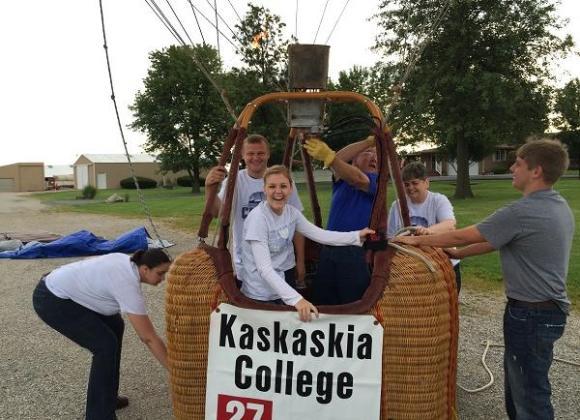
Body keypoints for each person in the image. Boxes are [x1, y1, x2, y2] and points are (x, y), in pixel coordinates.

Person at [393, 138, 574, 420]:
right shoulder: (557, 204)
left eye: (519, 163)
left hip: (530, 315)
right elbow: (493, 241)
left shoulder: (522, 212)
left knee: (530, 396)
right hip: (543, 312)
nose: (512, 167)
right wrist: (457, 253)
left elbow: (463, 233)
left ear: (536, 171)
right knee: (521, 387)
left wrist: (419, 242)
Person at [32, 249, 171, 420]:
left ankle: (107, 398)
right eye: (160, 273)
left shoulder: (128, 263)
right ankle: (99, 415)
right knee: (105, 345)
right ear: (144, 269)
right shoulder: (127, 283)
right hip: (51, 299)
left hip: (68, 291)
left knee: (115, 326)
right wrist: (174, 370)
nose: (163, 279)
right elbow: (148, 337)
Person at [239, 165, 374, 321]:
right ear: (264, 190)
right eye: (272, 186)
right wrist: (297, 300)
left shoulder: (291, 213)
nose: (278, 191)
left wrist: (357, 236)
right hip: (260, 292)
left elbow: (321, 235)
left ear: (290, 189)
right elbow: (264, 269)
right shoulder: (258, 219)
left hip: (283, 284)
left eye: (283, 186)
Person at [204, 134, 305, 284]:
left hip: (282, 265)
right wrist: (209, 188)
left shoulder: (283, 180)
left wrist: (301, 261)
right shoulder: (234, 181)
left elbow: (297, 224)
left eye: (260, 153)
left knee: (284, 306)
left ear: (268, 154)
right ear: (242, 155)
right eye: (250, 153)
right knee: (250, 306)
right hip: (247, 265)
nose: (256, 158)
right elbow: (216, 213)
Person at [304, 135, 378, 304]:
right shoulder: (341, 179)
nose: (374, 157)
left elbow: (357, 178)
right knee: (323, 303)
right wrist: (366, 142)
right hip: (329, 249)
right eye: (368, 153)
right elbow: (339, 160)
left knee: (352, 305)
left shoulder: (376, 181)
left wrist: (330, 157)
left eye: (376, 154)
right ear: (355, 159)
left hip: (355, 253)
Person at [387, 161, 461, 291]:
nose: (410, 188)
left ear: (426, 182)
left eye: (415, 183)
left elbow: (450, 225)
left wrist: (427, 231)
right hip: (411, 269)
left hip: (443, 266)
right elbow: (390, 237)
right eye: (407, 184)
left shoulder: (439, 200)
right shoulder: (397, 206)